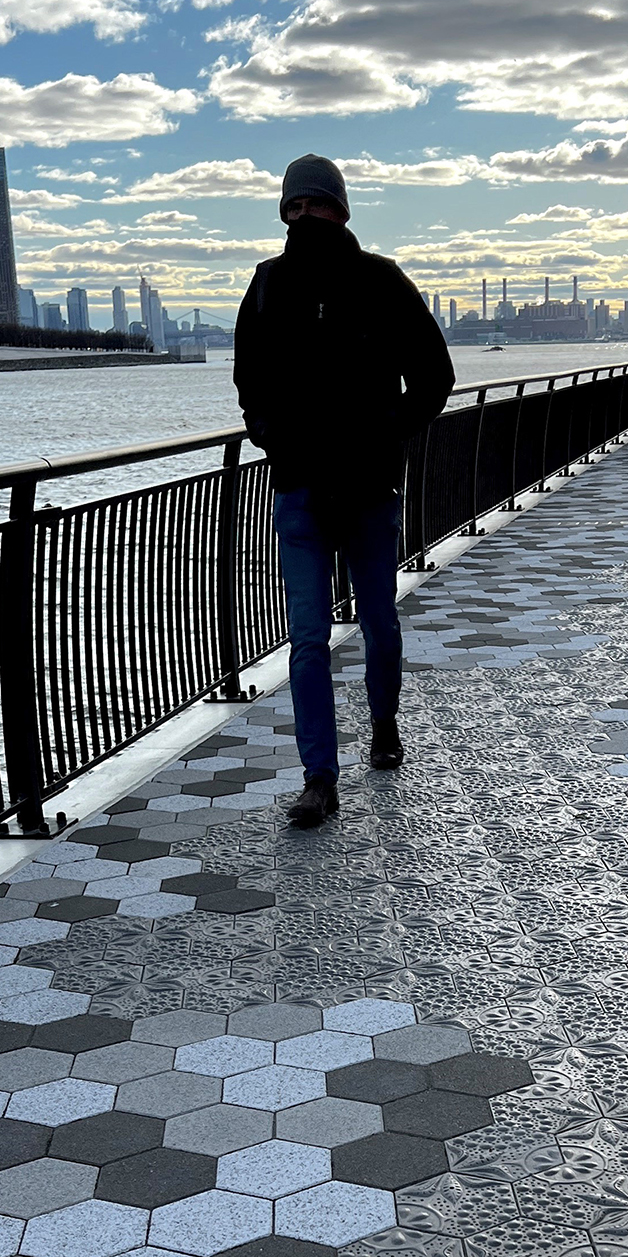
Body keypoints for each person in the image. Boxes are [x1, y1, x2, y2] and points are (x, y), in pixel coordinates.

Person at [233, 155, 454, 828]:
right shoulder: (268, 285)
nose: (302, 217)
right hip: (298, 487)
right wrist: (271, 433)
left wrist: (384, 432)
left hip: (368, 488)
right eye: (292, 208)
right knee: (306, 637)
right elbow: (249, 379)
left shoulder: (382, 282)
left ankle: (383, 720)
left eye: (315, 205)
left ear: (341, 210)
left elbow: (435, 376)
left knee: (379, 623)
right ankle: (318, 778)